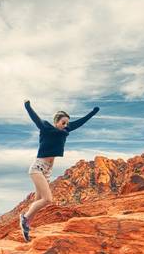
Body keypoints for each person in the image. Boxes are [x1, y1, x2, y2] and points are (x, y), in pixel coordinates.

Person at [20, 99, 99, 241]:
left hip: (47, 170)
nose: (65, 125)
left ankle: (26, 225)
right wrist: (28, 106)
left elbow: (80, 122)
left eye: (67, 123)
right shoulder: (45, 128)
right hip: (38, 167)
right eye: (63, 123)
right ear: (56, 121)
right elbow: (35, 119)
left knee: (38, 200)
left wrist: (92, 113)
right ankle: (24, 218)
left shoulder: (66, 130)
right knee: (47, 199)